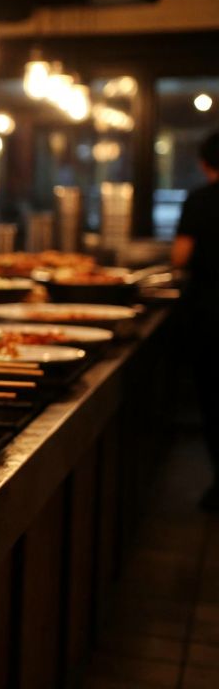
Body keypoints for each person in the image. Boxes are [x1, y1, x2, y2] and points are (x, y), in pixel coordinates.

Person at [173, 131, 219, 509]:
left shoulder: (201, 199)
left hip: (210, 314)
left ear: (206, 164)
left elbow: (180, 257)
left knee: (213, 400)